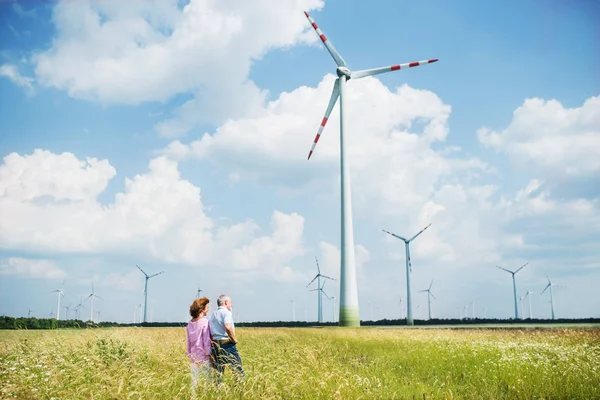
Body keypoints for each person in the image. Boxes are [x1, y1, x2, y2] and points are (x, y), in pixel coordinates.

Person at [209, 294, 245, 381]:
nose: (231, 304)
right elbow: (228, 326)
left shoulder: (213, 314)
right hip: (227, 344)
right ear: (225, 303)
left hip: (215, 345)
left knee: (218, 372)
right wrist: (234, 339)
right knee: (238, 370)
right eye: (230, 302)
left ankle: (217, 391)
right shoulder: (227, 313)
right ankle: (240, 390)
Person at [186, 297, 214, 397]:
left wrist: (189, 354)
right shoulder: (205, 322)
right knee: (208, 382)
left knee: (194, 383)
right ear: (202, 309)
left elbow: (189, 341)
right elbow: (206, 341)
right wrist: (209, 355)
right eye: (207, 307)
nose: (208, 309)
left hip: (193, 358)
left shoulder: (189, 324)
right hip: (204, 357)